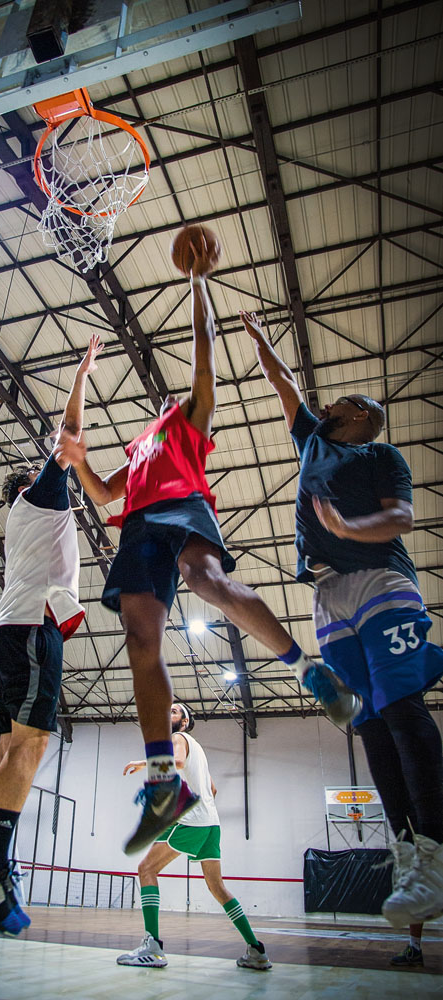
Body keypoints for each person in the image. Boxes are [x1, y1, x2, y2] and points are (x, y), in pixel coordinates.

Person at [54, 237, 346, 857]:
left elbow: (203, 359)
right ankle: (164, 785)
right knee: (140, 641)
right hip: (136, 525)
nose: (172, 398)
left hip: (184, 507)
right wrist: (78, 463)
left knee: (205, 579)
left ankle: (307, 671)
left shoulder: (191, 418)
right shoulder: (138, 447)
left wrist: (197, 283)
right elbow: (105, 493)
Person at [239, 309, 443, 943]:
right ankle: (408, 855)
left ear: (362, 415)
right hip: (328, 595)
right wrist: (260, 341)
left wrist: (350, 529)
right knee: (370, 724)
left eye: (342, 401)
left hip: (382, 578)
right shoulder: (313, 440)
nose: (326, 404)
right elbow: (286, 390)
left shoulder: (380, 452)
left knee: (403, 709)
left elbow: (402, 518)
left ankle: (436, 848)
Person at [0, 335, 102, 936]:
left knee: (19, 744)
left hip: (17, 627)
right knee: (33, 743)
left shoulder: (31, 520)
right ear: (31, 485)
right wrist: (82, 373)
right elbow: (68, 436)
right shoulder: (39, 499)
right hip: (29, 626)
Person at [117, 703, 271, 971]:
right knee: (217, 888)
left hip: (191, 821)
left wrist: (143, 763)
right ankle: (256, 950)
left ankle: (152, 947)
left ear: (184, 722)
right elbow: (212, 788)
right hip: (211, 824)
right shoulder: (197, 749)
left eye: (175, 711)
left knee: (146, 869)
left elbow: (176, 763)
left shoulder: (178, 739)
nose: (168, 713)